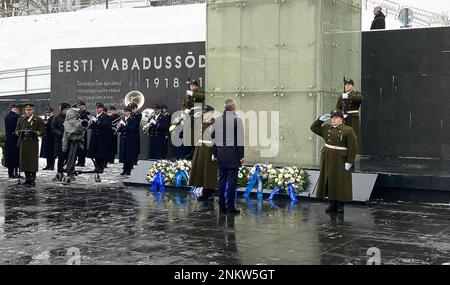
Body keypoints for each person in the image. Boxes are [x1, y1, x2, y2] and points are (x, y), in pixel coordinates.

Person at [310, 110, 357, 213]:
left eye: (336, 117)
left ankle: (340, 203)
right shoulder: (327, 128)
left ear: (341, 119)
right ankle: (332, 202)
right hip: (328, 156)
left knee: (340, 181)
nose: (333, 119)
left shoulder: (347, 130)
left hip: (341, 158)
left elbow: (352, 147)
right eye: (332, 117)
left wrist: (350, 161)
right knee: (330, 179)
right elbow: (313, 128)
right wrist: (320, 119)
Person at [212, 99, 245, 215]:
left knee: (221, 180)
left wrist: (215, 153)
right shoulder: (237, 120)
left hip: (221, 154)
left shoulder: (217, 120)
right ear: (233, 108)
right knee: (232, 181)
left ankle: (222, 207)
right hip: (233, 155)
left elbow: (213, 138)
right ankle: (230, 207)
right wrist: (241, 155)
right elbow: (240, 140)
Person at [189, 105, 218, 201]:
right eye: (203, 112)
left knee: (208, 171)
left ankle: (209, 192)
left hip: (209, 149)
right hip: (200, 148)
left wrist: (215, 152)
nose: (204, 114)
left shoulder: (214, 123)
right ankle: (203, 191)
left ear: (211, 113)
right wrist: (192, 116)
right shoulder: (200, 122)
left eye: (205, 112)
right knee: (200, 170)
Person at [15, 103, 45, 187]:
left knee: (32, 161)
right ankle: (27, 178)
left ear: (33, 110)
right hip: (23, 143)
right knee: (24, 161)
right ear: (25, 110)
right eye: (27, 110)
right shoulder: (21, 119)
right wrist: (19, 132)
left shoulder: (38, 119)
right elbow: (16, 130)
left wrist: (36, 133)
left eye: (30, 110)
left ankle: (32, 179)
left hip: (33, 143)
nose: (28, 111)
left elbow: (42, 131)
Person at [336, 78, 363, 154]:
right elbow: (338, 108)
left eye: (349, 85)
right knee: (344, 135)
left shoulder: (356, 93)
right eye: (346, 85)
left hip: (353, 118)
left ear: (352, 86)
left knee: (353, 135)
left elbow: (360, 99)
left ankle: (354, 152)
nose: (347, 87)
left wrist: (348, 96)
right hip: (344, 118)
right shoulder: (341, 96)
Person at [182, 80, 205, 159]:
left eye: (193, 86)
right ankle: (192, 152)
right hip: (190, 117)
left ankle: (197, 153)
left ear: (196, 86)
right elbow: (184, 105)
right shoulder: (187, 95)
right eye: (191, 86)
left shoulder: (199, 92)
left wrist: (192, 93)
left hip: (198, 117)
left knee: (197, 135)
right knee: (191, 136)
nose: (192, 87)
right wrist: (185, 109)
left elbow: (202, 97)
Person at [87, 103, 112, 173]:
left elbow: (107, 125)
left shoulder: (106, 116)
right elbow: (91, 127)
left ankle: (100, 167)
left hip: (101, 138)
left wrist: (97, 121)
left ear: (102, 109)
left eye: (98, 108)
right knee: (94, 154)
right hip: (94, 137)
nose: (96, 109)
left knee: (100, 154)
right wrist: (90, 123)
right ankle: (96, 166)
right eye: (96, 108)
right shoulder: (95, 116)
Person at [118, 106, 139, 175]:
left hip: (129, 139)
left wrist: (125, 125)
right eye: (125, 111)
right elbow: (121, 130)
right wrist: (119, 127)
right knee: (124, 154)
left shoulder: (133, 119)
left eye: (126, 111)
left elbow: (133, 129)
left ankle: (128, 170)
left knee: (128, 155)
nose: (125, 112)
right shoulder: (123, 118)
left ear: (130, 112)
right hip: (123, 138)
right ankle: (124, 169)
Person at [52, 103, 70, 176]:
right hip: (60, 142)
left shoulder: (70, 119)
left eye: (68, 109)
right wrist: (61, 134)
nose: (67, 111)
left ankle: (69, 173)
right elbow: (53, 129)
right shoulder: (56, 119)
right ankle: (60, 172)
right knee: (61, 158)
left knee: (70, 158)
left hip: (69, 142)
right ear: (62, 110)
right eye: (66, 109)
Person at [4, 104, 21, 179]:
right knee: (16, 156)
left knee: (9, 156)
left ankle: (10, 173)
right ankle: (16, 173)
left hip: (8, 139)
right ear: (17, 109)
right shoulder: (17, 117)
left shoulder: (6, 117)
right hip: (16, 139)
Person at [76, 100, 90, 167]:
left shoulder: (87, 113)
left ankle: (82, 162)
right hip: (78, 132)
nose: (80, 106)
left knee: (83, 147)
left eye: (81, 105)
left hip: (83, 132)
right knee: (78, 148)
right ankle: (79, 161)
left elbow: (87, 121)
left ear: (84, 106)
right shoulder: (77, 112)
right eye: (79, 105)